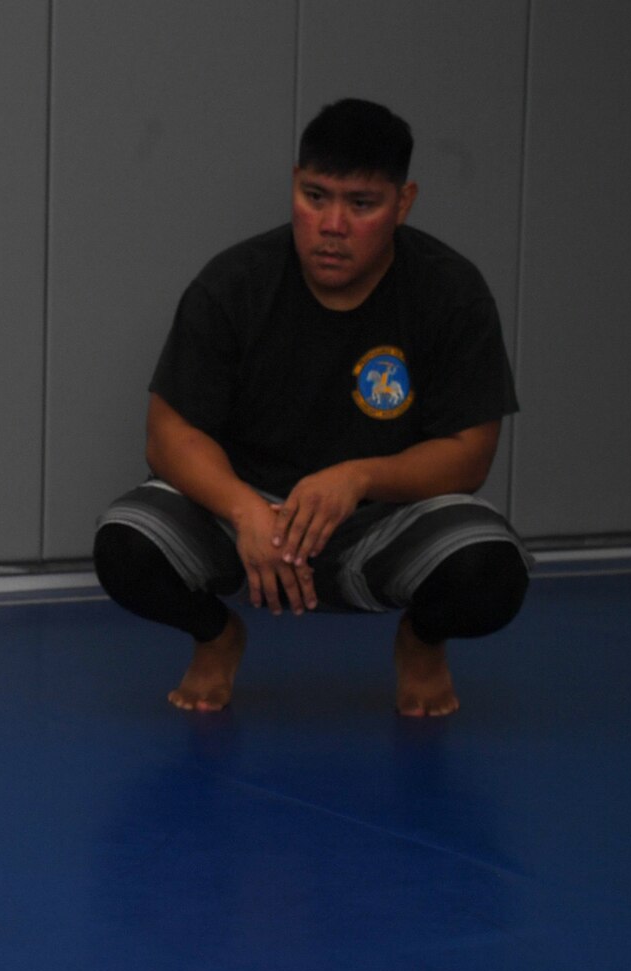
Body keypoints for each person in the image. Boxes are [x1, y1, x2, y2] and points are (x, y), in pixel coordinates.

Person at [91, 98, 531, 716]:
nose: (331, 225)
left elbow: (470, 456)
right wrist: (245, 510)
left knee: (492, 569)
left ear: (403, 203)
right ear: (293, 185)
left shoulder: (449, 292)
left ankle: (423, 641)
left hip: (381, 526)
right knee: (126, 542)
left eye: (361, 204)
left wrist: (360, 477)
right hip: (246, 530)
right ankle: (216, 636)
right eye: (315, 196)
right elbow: (168, 436)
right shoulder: (235, 282)